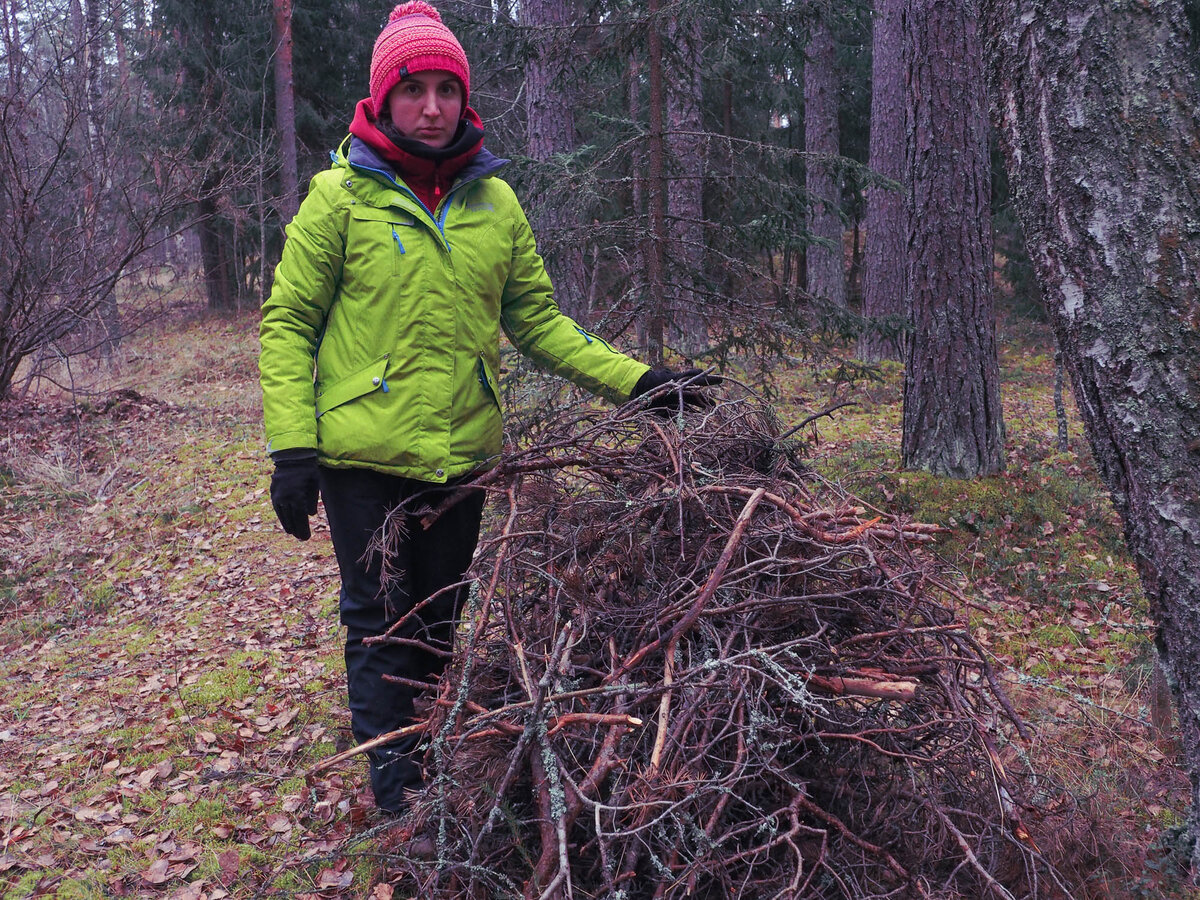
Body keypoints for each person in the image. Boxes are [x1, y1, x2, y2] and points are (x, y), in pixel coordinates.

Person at [258, 1, 708, 818]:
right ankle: (399, 800)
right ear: (383, 99)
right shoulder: (339, 198)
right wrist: (294, 450)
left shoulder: (493, 204)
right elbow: (290, 323)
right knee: (377, 624)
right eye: (413, 90)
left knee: (437, 625)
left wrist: (638, 382)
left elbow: (538, 322)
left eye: (445, 90)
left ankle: (424, 762)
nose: (431, 108)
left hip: (463, 458)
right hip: (360, 459)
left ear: (465, 99)